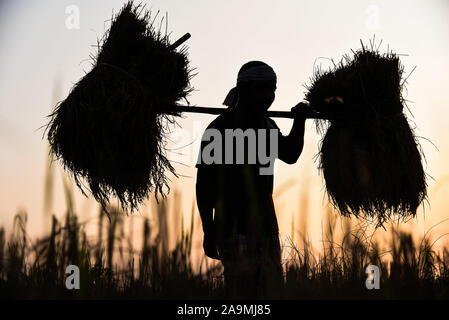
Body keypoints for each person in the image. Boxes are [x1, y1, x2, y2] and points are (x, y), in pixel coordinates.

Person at [195, 61, 310, 298]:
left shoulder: (268, 126)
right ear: (246, 89)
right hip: (233, 228)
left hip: (267, 228)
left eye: (273, 89)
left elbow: (290, 155)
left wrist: (300, 122)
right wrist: (209, 230)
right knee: (242, 293)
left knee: (270, 292)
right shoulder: (220, 128)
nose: (270, 96)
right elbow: (204, 185)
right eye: (263, 89)